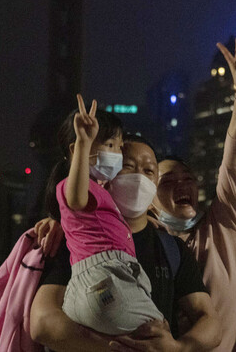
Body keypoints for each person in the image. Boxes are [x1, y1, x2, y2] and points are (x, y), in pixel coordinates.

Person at [30, 133, 221, 351]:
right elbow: (42, 322)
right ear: (106, 174)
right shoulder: (79, 241)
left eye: (149, 171)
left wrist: (178, 347)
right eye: (128, 167)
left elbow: (209, 319)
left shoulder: (171, 249)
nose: (140, 178)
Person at [151, 37, 236, 352]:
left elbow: (234, 164)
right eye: (168, 180)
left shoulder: (222, 228)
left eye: (189, 178)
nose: (183, 184)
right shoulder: (143, 242)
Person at [55, 95, 164, 334]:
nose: (117, 153)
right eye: (110, 145)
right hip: (105, 280)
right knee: (158, 331)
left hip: (88, 290)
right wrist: (84, 143)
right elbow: (76, 199)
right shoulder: (73, 186)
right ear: (75, 151)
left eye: (118, 147)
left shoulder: (100, 190)